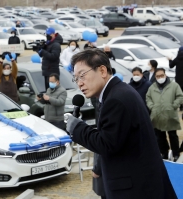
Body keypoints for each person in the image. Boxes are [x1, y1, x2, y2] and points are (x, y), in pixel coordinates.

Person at [66, 49, 177, 199]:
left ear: (102, 70)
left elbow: (106, 144)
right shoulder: (119, 92)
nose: (79, 83)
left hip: (135, 189)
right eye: (76, 78)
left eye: (82, 75)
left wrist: (77, 128)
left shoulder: (115, 100)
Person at [146, 68, 183, 162]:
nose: (160, 78)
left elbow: (180, 96)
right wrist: (152, 107)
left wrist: (174, 105)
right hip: (157, 116)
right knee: (160, 137)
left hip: (170, 115)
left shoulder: (174, 85)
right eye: (158, 76)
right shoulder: (152, 87)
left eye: (162, 75)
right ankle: (164, 153)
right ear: (155, 77)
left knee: (173, 136)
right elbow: (148, 98)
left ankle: (175, 153)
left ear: (165, 75)